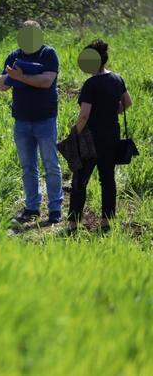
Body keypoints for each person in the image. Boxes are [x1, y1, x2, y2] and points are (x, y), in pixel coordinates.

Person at [0, 20, 64, 227]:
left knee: (51, 165)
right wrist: (12, 77)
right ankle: (32, 207)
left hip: (45, 119)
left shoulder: (48, 54)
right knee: (28, 167)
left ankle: (55, 209)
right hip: (21, 120)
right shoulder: (14, 55)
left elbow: (47, 81)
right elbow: (0, 83)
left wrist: (21, 77)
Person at [64, 40, 133, 235]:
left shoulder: (90, 84)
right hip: (111, 136)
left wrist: (74, 133)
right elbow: (127, 102)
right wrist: (112, 111)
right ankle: (106, 221)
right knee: (108, 179)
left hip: (90, 139)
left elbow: (84, 115)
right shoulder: (117, 79)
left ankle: (73, 225)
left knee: (80, 180)